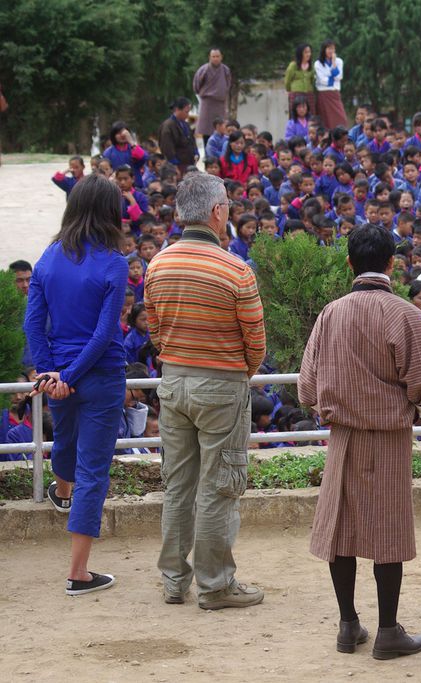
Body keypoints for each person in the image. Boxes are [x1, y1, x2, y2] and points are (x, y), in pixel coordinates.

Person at [298, 224, 421, 659]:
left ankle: (348, 626)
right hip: (389, 437)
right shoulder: (404, 314)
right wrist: (416, 411)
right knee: (389, 532)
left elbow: (307, 388)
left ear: (349, 263)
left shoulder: (331, 313)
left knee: (340, 530)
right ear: (391, 264)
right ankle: (387, 631)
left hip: (343, 437)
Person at [145, 171, 267, 610]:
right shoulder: (235, 268)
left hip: (174, 382)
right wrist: (237, 374)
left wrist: (178, 360)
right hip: (222, 386)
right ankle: (215, 586)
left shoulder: (157, 264)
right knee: (219, 487)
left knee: (178, 484)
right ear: (217, 212)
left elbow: (154, 330)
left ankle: (174, 581)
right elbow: (256, 340)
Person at [23, 173, 129, 596]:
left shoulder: (48, 257)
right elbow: (104, 333)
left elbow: (33, 322)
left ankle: (60, 491)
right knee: (94, 472)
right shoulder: (114, 262)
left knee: (64, 442)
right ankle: (78, 573)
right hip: (99, 376)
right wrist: (66, 376)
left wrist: (52, 374)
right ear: (111, 212)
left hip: (58, 375)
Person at [192, 48, 232, 153]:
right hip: (207, 103)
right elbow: (196, 85)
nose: (215, 59)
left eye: (217, 56)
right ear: (210, 57)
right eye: (213, 56)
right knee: (206, 130)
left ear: (221, 57)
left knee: (221, 128)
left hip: (220, 103)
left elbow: (228, 84)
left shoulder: (225, 70)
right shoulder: (203, 70)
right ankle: (207, 154)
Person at [157, 97, 198, 177]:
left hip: (189, 163)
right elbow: (167, 147)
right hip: (177, 166)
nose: (188, 115)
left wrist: (196, 152)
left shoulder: (185, 124)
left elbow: (192, 140)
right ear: (177, 110)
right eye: (186, 112)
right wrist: (174, 164)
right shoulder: (168, 126)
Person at [315, 40, 347, 129]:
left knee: (342, 119)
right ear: (324, 50)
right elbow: (322, 80)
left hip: (335, 94)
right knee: (326, 121)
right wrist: (333, 80)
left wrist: (333, 63)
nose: (331, 51)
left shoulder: (339, 61)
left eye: (332, 48)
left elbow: (339, 77)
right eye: (328, 48)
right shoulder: (318, 63)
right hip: (323, 94)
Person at [284, 43, 317, 116]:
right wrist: (290, 90)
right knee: (296, 115)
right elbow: (287, 81)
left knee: (310, 115)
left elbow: (312, 80)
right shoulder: (293, 65)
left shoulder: (311, 66)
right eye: (306, 52)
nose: (308, 54)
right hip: (296, 93)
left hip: (309, 94)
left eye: (309, 52)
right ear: (300, 53)